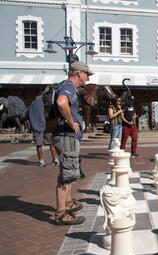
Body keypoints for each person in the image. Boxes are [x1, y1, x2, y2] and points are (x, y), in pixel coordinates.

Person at [53, 61, 93, 225]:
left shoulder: (67, 86)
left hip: (67, 136)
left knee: (69, 172)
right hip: (66, 135)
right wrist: (71, 122)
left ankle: (68, 203)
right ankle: (61, 213)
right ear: (79, 73)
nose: (88, 78)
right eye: (87, 75)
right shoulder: (69, 86)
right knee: (66, 173)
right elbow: (61, 102)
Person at [27, 96, 59, 167]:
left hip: (37, 125)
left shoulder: (32, 105)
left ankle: (41, 160)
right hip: (48, 125)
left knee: (39, 144)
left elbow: (27, 114)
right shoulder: (46, 104)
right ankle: (55, 159)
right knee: (51, 143)